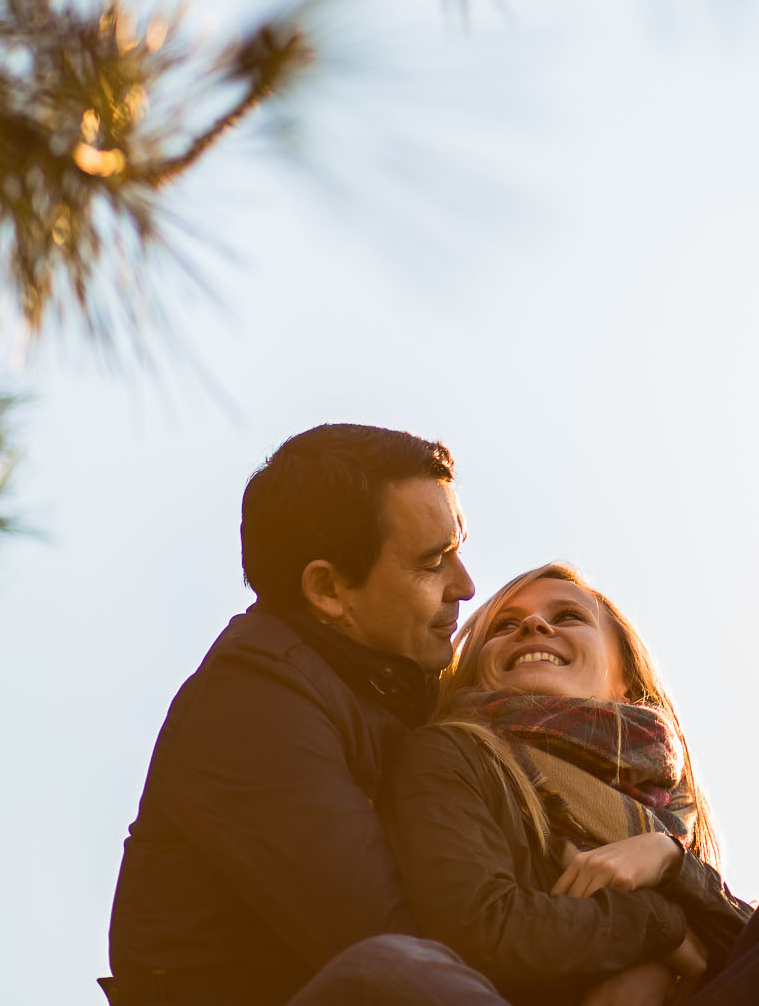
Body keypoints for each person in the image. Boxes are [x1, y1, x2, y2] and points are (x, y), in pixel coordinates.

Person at [388, 563, 759, 1006]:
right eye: (504, 626)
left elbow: (734, 945)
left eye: (567, 617)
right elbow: (484, 928)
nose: (534, 626)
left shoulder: (664, 814)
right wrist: (661, 928)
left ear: (625, 675)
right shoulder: (456, 753)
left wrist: (669, 861)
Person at [102, 423, 511, 1006]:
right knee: (394, 969)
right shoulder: (250, 704)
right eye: (432, 562)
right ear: (328, 588)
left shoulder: (404, 689)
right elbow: (391, 937)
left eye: (459, 549)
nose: (466, 586)